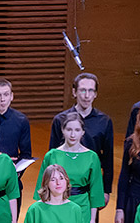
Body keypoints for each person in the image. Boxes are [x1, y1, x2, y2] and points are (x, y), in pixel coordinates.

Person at [49, 72, 114, 208]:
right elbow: (52, 158)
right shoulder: (60, 120)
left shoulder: (104, 121)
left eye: (91, 91)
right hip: (63, 187)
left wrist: (106, 190)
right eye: (82, 90)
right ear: (74, 92)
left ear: (95, 94)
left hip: (90, 185)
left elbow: (108, 159)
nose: (87, 95)